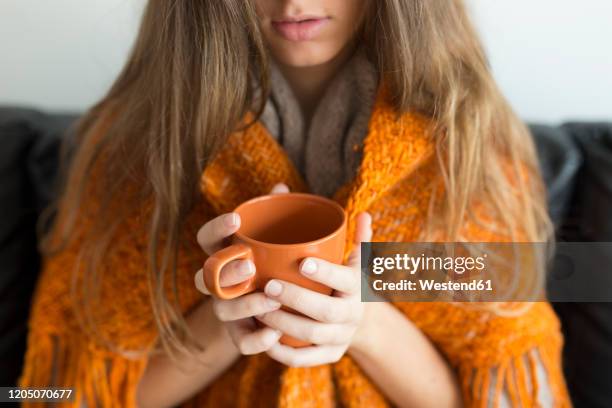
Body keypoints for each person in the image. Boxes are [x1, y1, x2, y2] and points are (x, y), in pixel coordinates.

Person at [19, 0, 572, 407]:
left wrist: (361, 320)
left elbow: (509, 391)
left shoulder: (468, 141)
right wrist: (228, 316)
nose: (293, 3)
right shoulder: (137, 145)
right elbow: (66, 391)